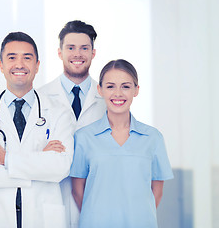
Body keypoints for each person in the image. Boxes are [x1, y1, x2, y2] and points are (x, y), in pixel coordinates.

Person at [0, 32, 75, 228]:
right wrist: (39, 163)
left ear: (37, 65)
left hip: (43, 217)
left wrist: (6, 159)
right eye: (12, 57)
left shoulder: (59, 113)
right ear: (1, 65)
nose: (20, 64)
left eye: (27, 58)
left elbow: (60, 167)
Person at [70, 59, 174, 227]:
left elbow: (157, 191)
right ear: (100, 90)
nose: (118, 93)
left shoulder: (153, 138)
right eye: (110, 86)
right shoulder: (84, 137)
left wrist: (137, 217)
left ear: (136, 90)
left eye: (125, 86)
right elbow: (77, 191)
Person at [38, 20, 106, 228]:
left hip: (96, 193)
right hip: (51, 195)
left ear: (93, 53)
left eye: (84, 48)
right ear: (59, 52)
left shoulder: (108, 98)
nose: (78, 54)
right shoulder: (39, 98)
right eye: (71, 48)